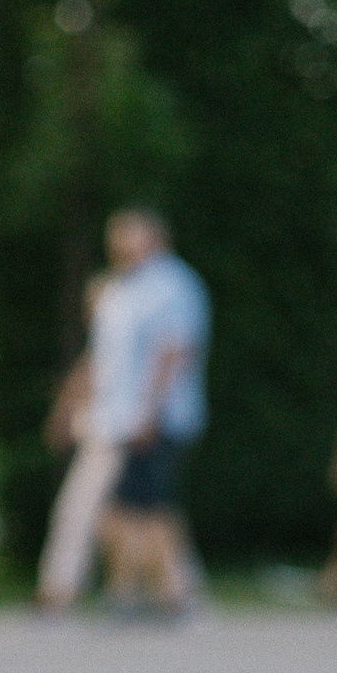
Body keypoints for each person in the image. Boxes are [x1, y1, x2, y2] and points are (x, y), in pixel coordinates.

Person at [88, 206, 211, 613]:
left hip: (155, 417)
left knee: (149, 506)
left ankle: (166, 592)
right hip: (126, 416)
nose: (118, 244)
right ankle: (142, 590)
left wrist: (149, 413)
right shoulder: (129, 284)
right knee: (132, 506)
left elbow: (172, 352)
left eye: (128, 235)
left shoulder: (170, 285)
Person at [36, 270, 119, 611]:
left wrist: (62, 415)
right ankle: (167, 588)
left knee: (78, 512)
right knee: (132, 513)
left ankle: (59, 588)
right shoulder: (109, 341)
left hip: (109, 436)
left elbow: (84, 381)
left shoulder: (116, 341)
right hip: (107, 435)